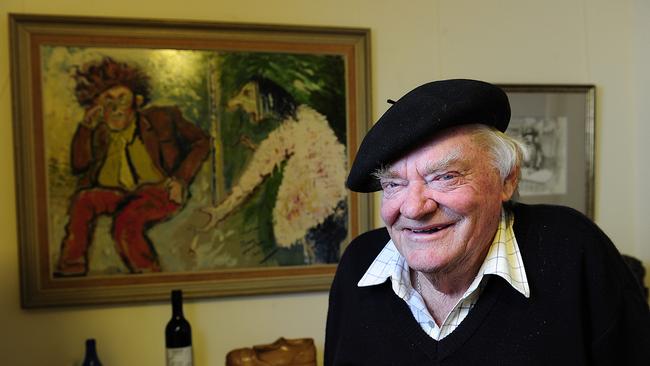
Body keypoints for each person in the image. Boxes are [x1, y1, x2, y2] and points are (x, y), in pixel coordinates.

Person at [324, 79, 650, 365]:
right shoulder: (358, 265)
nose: (413, 208)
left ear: (506, 180)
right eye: (394, 184)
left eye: (445, 177)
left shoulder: (573, 250)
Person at [55, 57, 210, 276]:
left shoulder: (162, 118)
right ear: (97, 105)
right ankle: (70, 270)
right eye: (108, 100)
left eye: (122, 99)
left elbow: (203, 142)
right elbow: (79, 166)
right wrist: (84, 130)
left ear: (136, 100)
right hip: (115, 192)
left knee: (126, 222)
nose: (116, 108)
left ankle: (149, 276)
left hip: (158, 190)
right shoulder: (95, 130)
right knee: (83, 201)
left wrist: (181, 179)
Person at [201, 76, 347, 264]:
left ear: (264, 99)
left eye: (247, 104)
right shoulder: (300, 123)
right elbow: (265, 162)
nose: (247, 111)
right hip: (327, 214)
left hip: (318, 217)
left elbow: (259, 170)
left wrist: (223, 210)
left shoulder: (300, 125)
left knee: (320, 269)